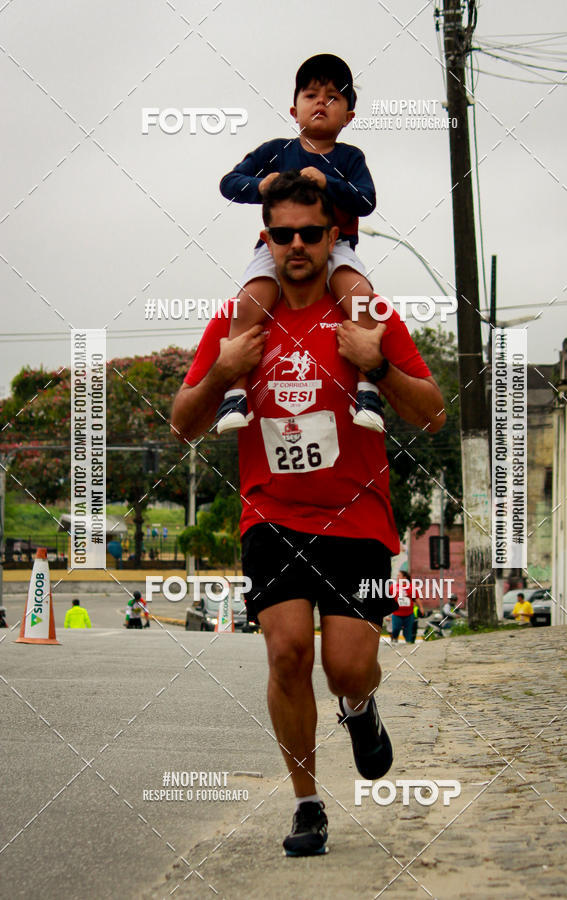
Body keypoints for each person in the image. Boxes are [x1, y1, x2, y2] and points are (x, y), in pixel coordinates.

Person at [171, 172, 446, 857]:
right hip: (273, 515)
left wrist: (378, 370)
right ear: (265, 239)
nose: (297, 245)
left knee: (347, 668)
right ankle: (307, 804)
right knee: (288, 653)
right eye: (283, 233)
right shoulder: (237, 325)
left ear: (334, 239)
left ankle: (359, 705)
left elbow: (433, 411)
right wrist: (219, 370)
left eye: (311, 233)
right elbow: (183, 424)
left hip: (357, 520)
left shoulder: (366, 319)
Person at [216, 53, 386, 435]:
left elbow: (367, 200)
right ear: (295, 110)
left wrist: (330, 185)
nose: (321, 102)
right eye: (312, 95)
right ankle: (235, 394)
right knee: (247, 302)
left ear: (348, 117)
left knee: (360, 295)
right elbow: (228, 182)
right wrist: (261, 186)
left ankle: (367, 390)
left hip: (337, 244)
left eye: (333, 97)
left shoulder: (350, 158)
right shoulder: (276, 150)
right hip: (277, 247)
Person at [390, 571, 414, 643]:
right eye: (397, 576)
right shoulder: (393, 587)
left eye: (399, 575)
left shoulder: (411, 587)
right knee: (396, 628)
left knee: (408, 630)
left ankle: (408, 643)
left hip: (409, 614)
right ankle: (394, 639)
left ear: (404, 578)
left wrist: (421, 607)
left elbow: (416, 598)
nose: (397, 577)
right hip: (396, 613)